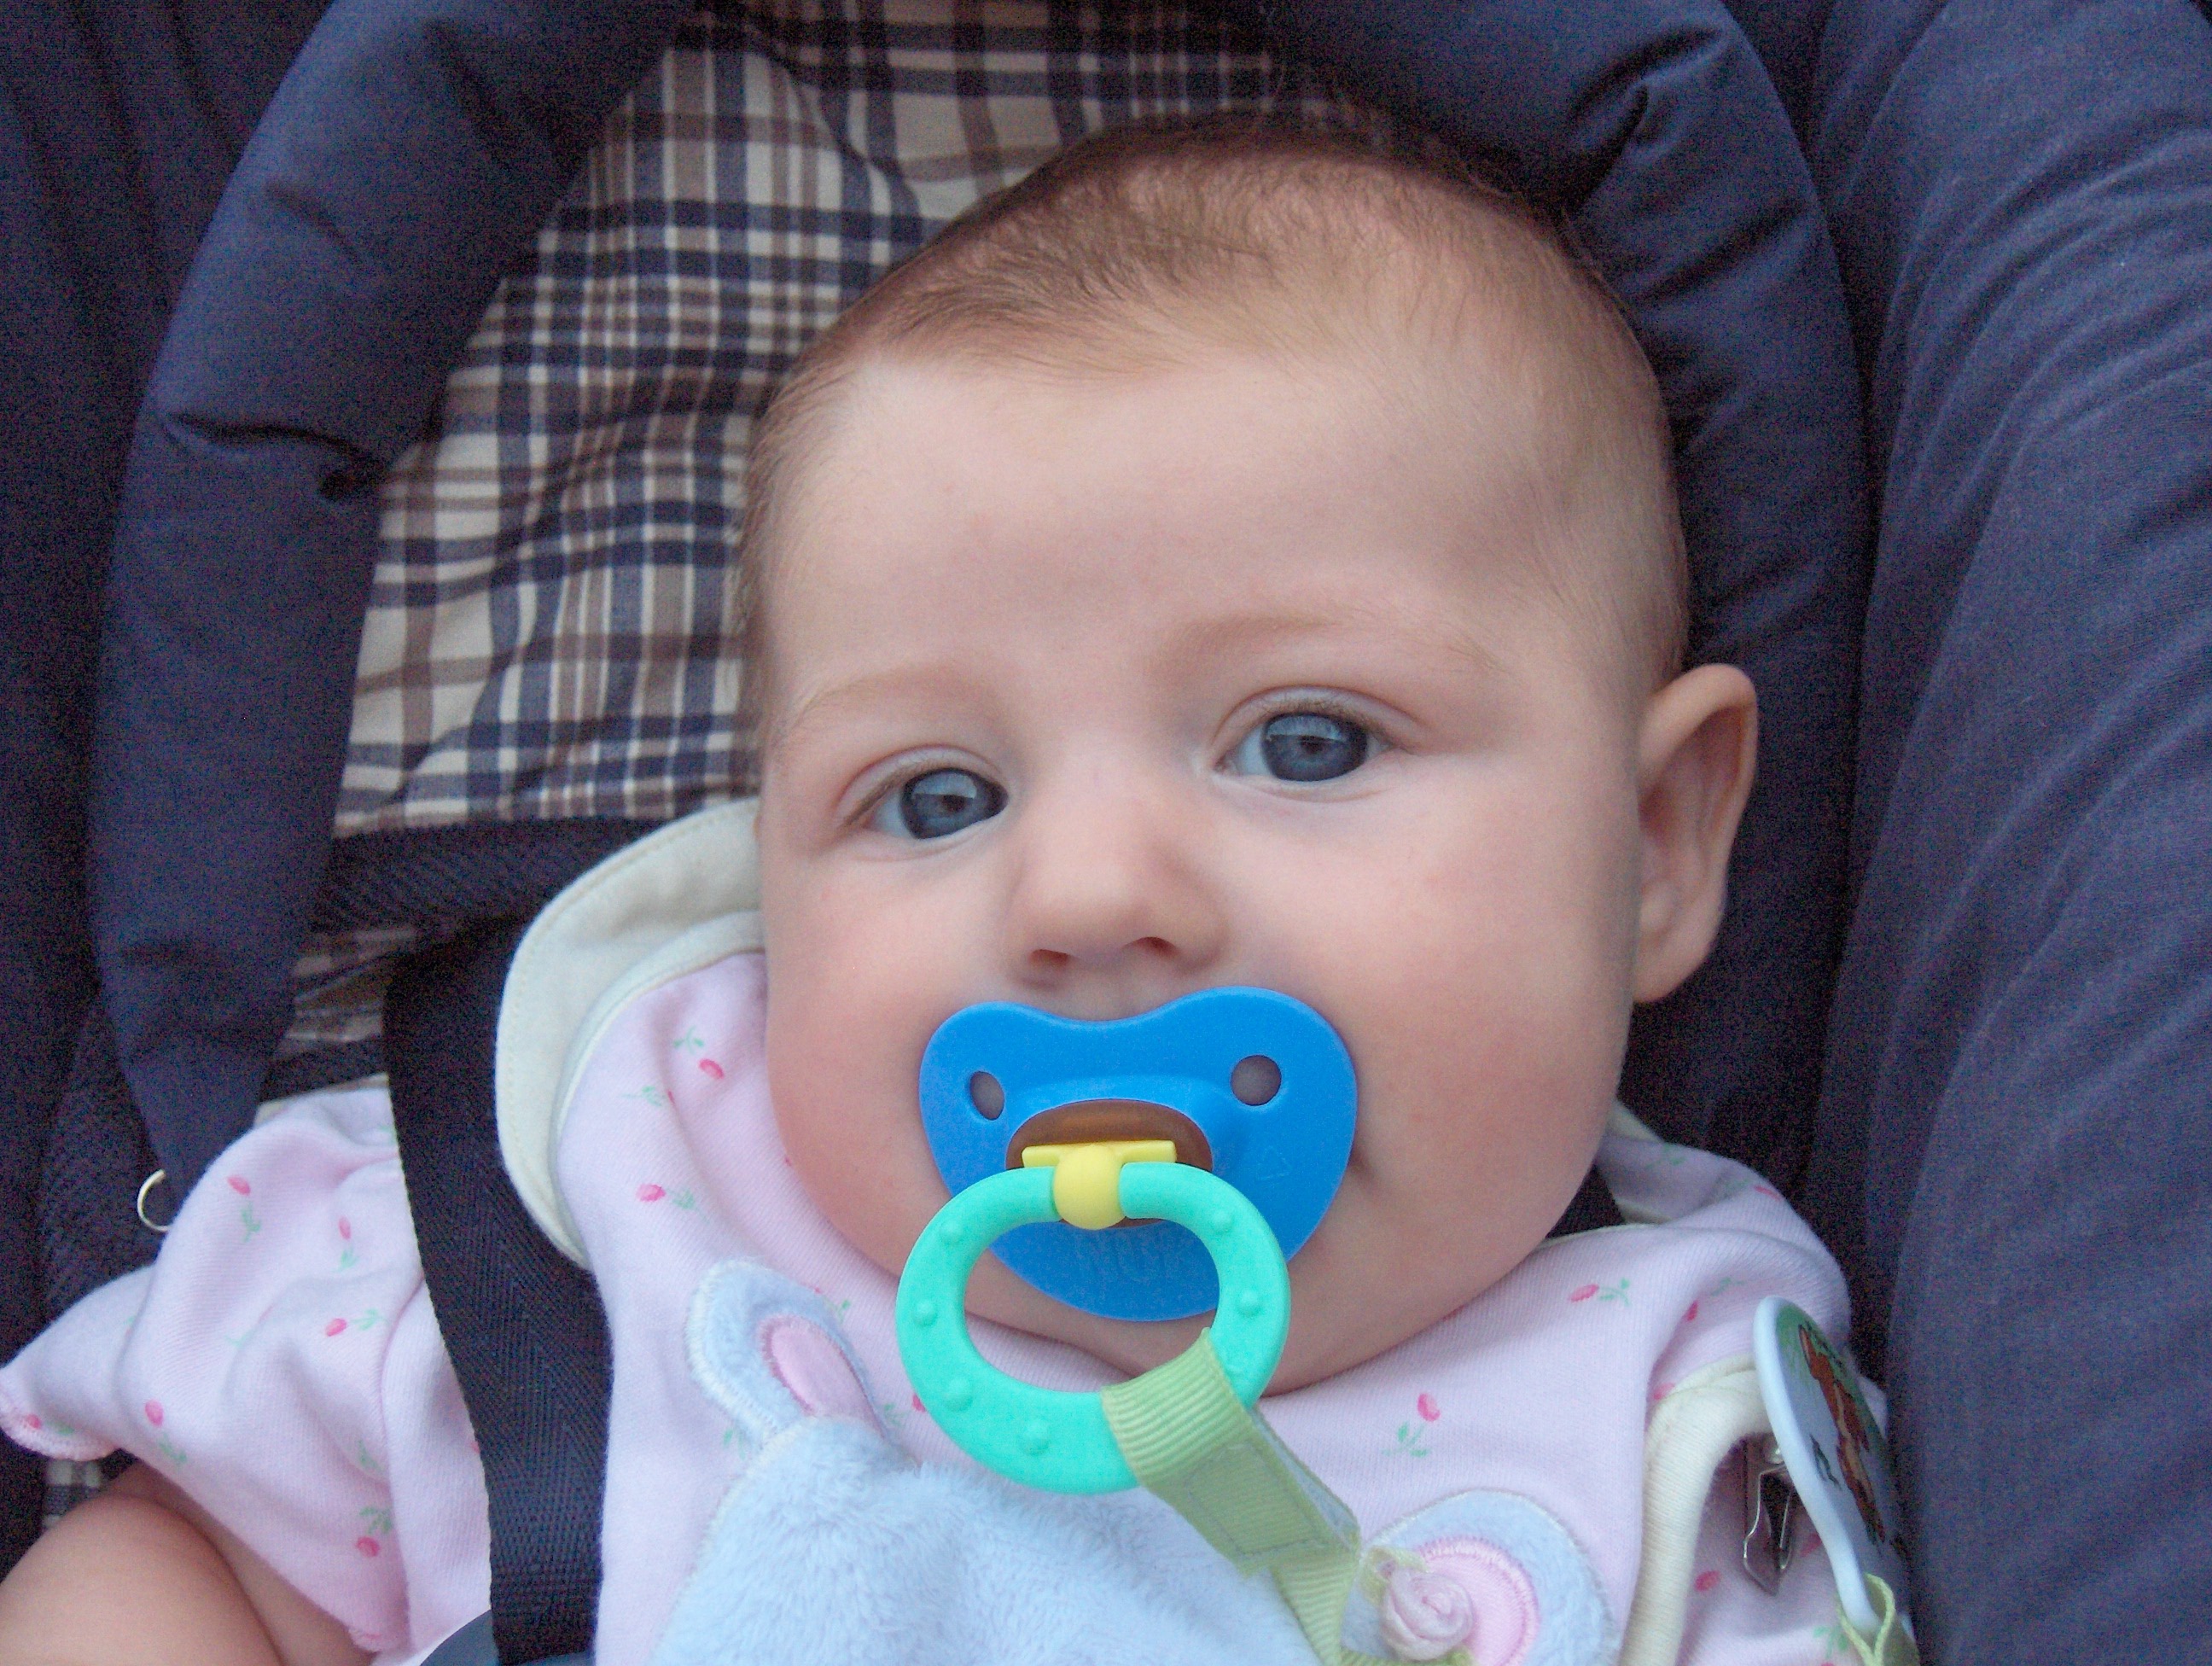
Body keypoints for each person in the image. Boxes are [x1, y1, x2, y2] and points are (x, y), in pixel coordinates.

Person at [0, 124, 1872, 1666]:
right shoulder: (585, 1202)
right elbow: (180, 1567)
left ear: (1655, 842)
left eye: (1307, 743)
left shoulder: (1685, 1430)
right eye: (939, 796)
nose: (1088, 891)